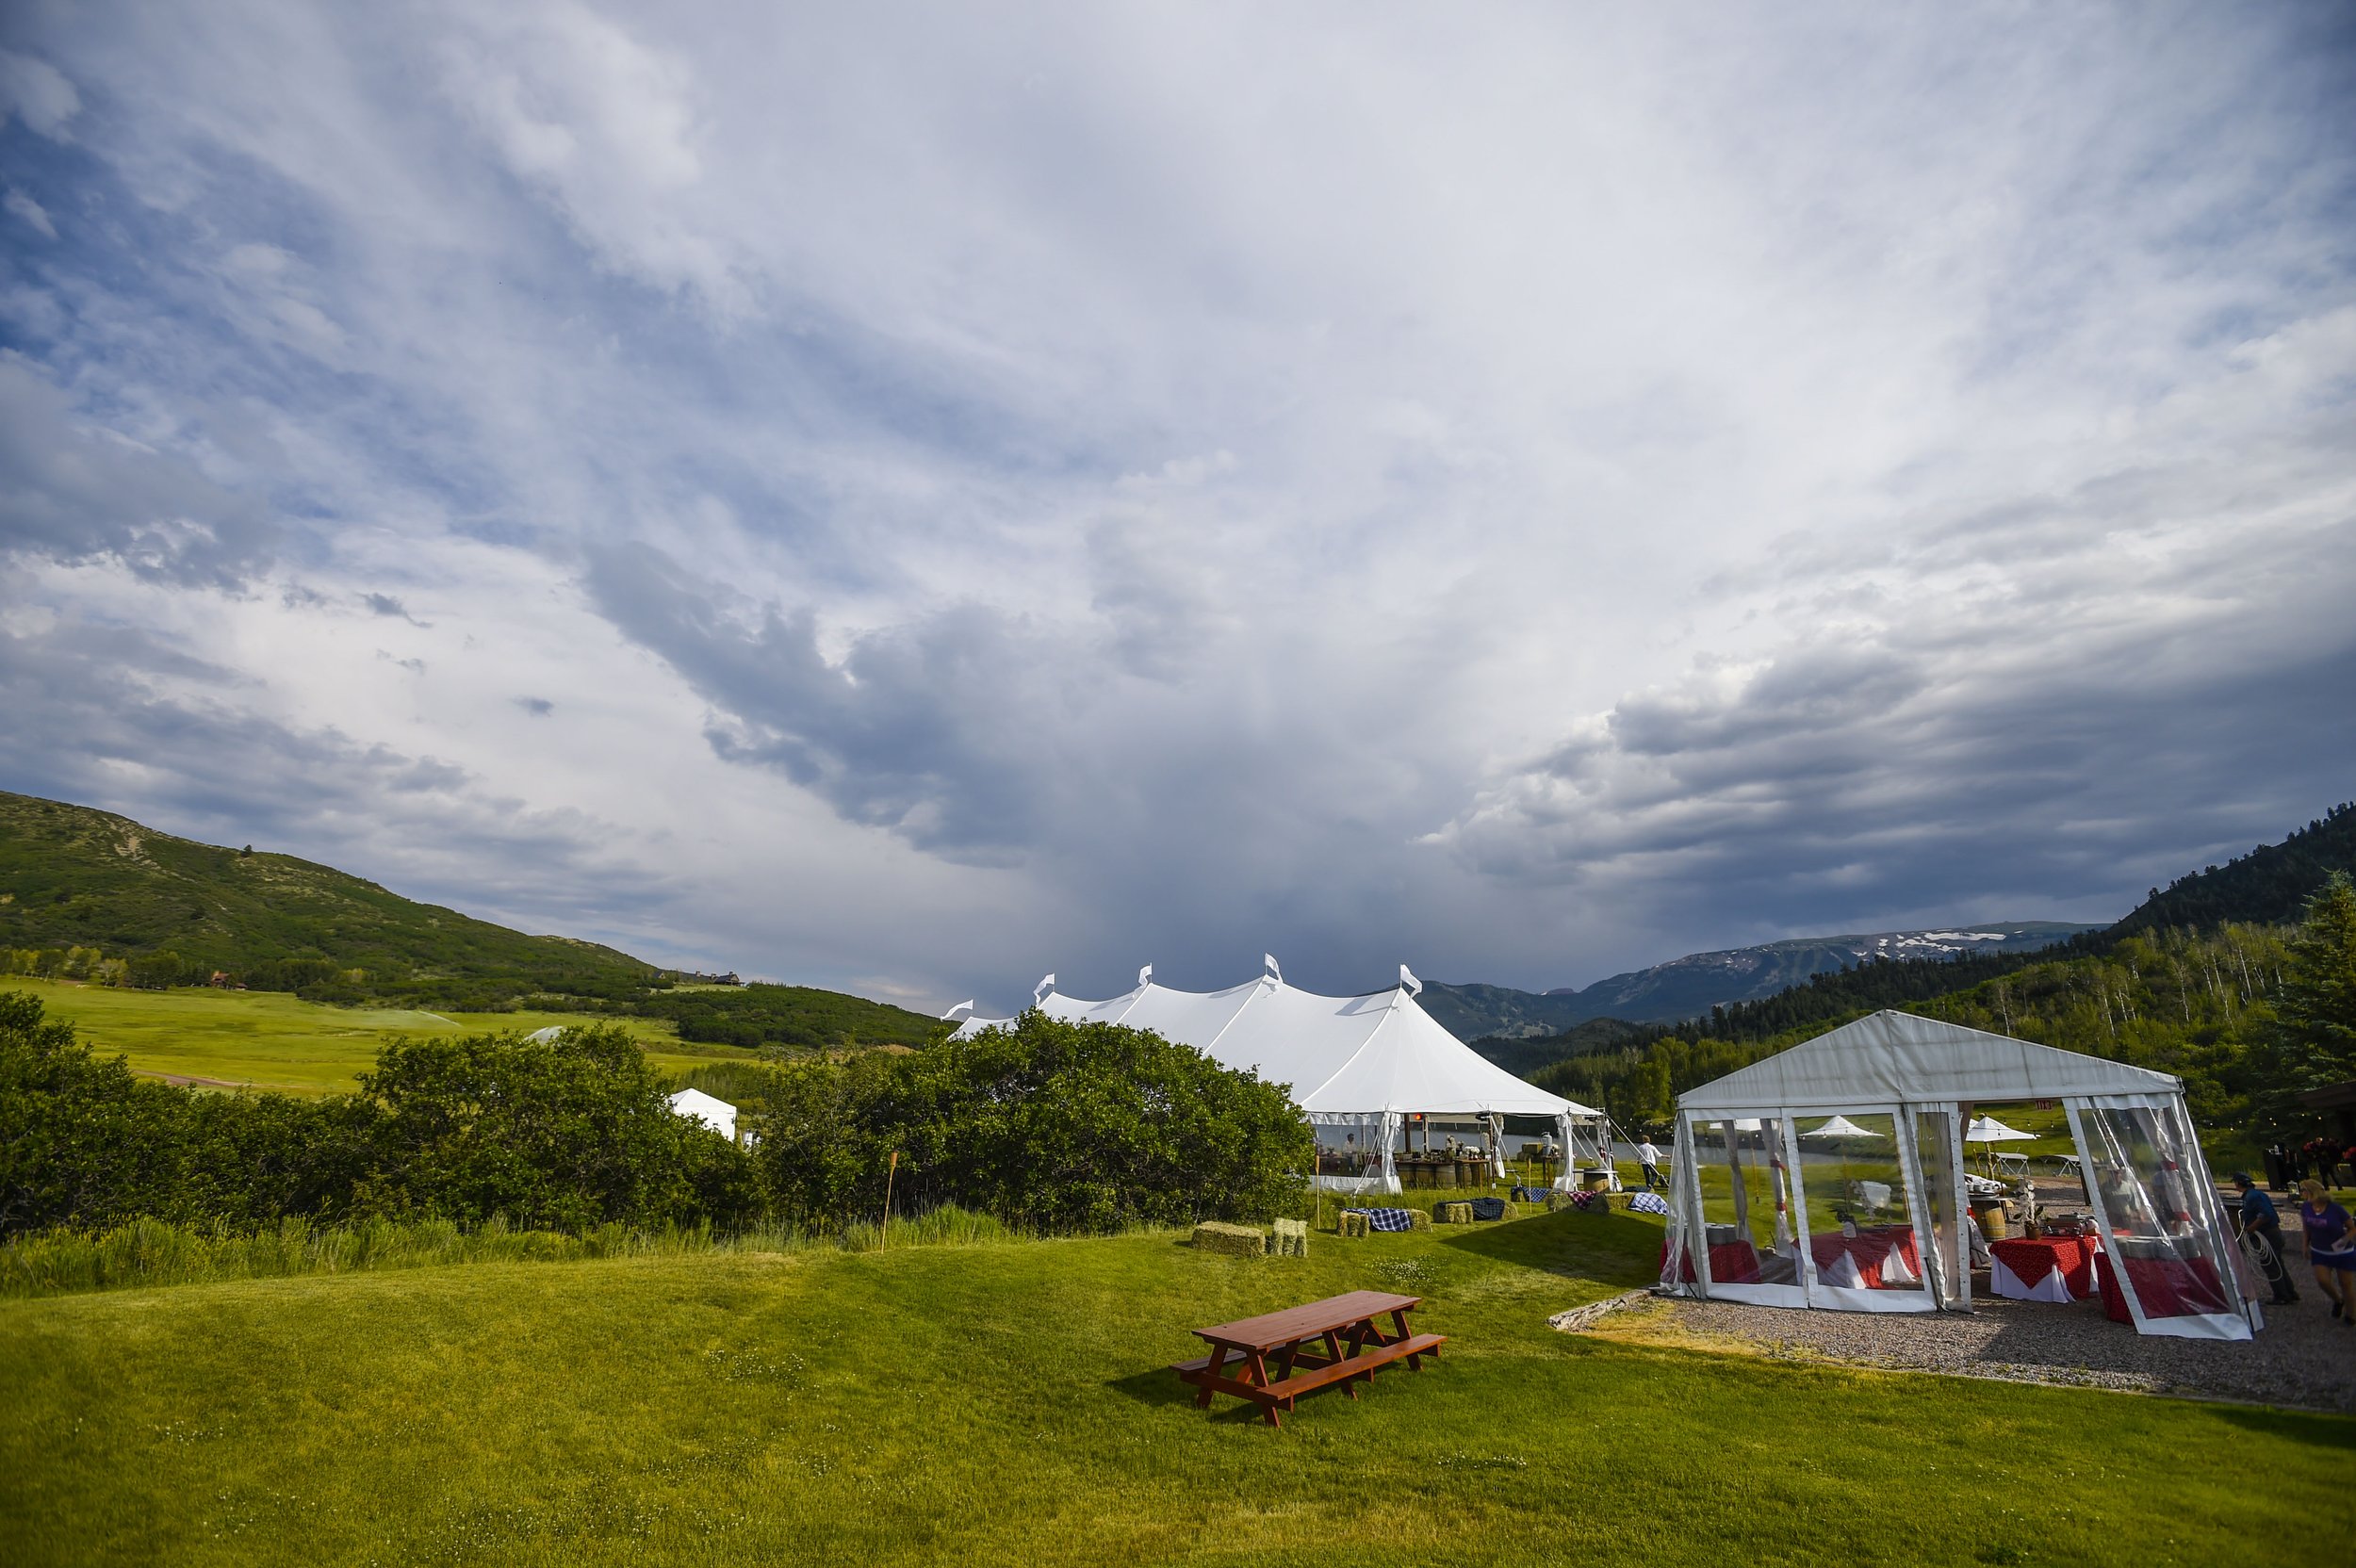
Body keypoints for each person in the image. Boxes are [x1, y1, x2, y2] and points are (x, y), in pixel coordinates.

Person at [2233, 1171, 2299, 1305]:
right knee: (2277, 1263)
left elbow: (2265, 1214)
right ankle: (2290, 1292)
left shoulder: (2252, 1197)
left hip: (2267, 1233)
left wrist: (2251, 1227)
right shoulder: (2255, 1195)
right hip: (2271, 1232)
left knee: (2271, 1265)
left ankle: (2282, 1295)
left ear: (2239, 1184)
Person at [2297, 1179, 2355, 1324]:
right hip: (2320, 1250)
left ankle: (2351, 1314)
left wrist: (2344, 1241)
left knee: (2346, 1284)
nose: (2301, 1193)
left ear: (2311, 1192)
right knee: (2322, 1281)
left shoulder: (2335, 1209)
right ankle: (2337, 1300)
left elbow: (2352, 1228)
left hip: (2341, 1252)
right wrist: (2305, 1245)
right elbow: (2306, 1228)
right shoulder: (2306, 1208)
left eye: (2303, 1190)